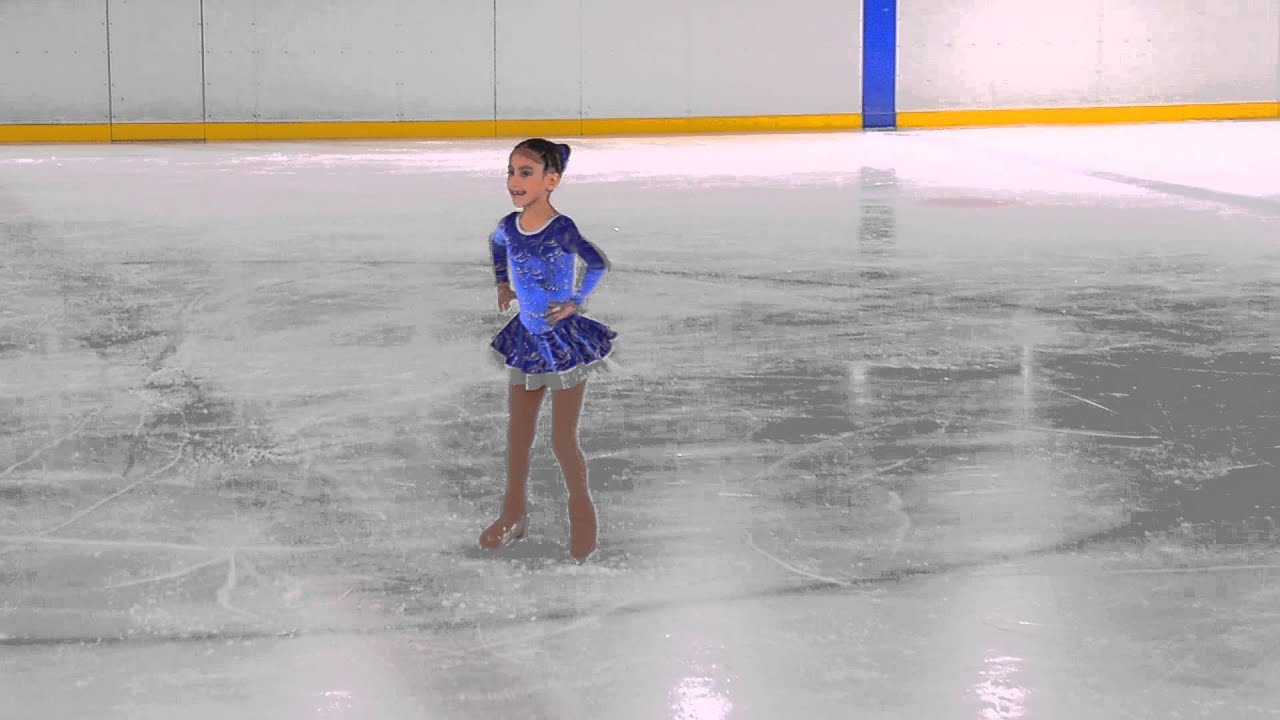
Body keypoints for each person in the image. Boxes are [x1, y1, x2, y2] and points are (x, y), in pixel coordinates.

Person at [481, 138, 615, 563]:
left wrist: (576, 301)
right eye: (511, 172)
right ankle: (513, 514)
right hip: (526, 339)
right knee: (517, 437)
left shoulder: (561, 229)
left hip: (562, 344)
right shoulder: (509, 224)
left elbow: (596, 262)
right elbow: (498, 242)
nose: (514, 181)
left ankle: (583, 516)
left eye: (526, 173)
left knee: (561, 439)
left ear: (551, 180)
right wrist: (502, 281)